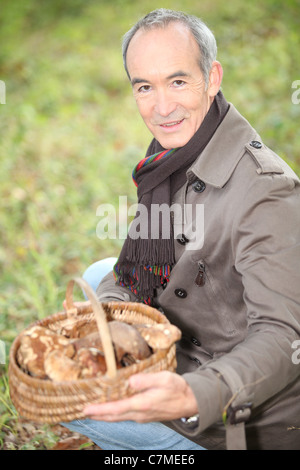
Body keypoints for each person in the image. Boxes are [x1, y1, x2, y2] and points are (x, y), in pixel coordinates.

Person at [62, 9, 300, 450]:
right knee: (100, 282)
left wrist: (193, 393)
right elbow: (133, 270)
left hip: (239, 413)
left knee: (73, 401)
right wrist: (107, 327)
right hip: (190, 345)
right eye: (144, 87)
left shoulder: (267, 192)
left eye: (177, 81)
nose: (162, 107)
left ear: (211, 77)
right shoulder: (170, 161)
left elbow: (286, 337)